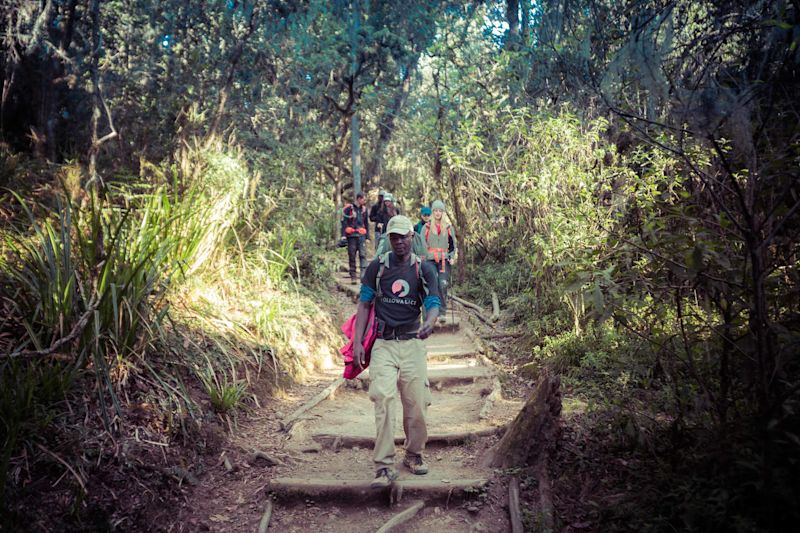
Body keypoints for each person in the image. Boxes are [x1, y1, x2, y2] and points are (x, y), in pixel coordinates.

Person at [352, 215, 441, 488]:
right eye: (394, 237)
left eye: (403, 236)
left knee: (417, 404)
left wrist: (430, 321)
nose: (399, 241)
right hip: (384, 344)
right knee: (383, 399)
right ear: (388, 239)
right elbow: (365, 305)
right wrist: (357, 343)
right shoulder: (377, 268)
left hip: (412, 342)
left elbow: (433, 301)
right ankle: (384, 465)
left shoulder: (423, 269)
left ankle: (413, 455)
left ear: (411, 238)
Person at [423, 200, 457, 319]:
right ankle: (432, 311)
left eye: (440, 211)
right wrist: (423, 256)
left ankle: (442, 312)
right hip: (430, 260)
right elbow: (422, 244)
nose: (437, 213)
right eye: (435, 211)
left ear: (443, 212)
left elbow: (453, 244)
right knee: (432, 284)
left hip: (444, 259)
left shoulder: (448, 228)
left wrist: (452, 256)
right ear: (433, 212)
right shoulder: (426, 227)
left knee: (442, 284)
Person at [341, 192, 369, 284]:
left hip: (361, 236)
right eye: (363, 199)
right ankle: (353, 277)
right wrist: (343, 235)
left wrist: (367, 236)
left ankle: (363, 276)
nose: (365, 201)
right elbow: (344, 222)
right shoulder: (349, 208)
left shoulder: (364, 210)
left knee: (363, 255)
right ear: (359, 199)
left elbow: (366, 223)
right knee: (352, 256)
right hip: (351, 236)